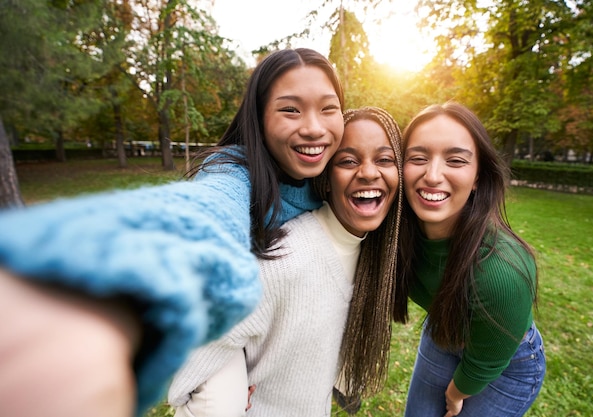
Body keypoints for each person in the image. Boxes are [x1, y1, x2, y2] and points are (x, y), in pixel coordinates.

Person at [0, 47, 345, 417]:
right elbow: (208, 210)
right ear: (259, 119)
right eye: (290, 109)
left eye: (328, 108)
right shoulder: (233, 171)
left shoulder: (335, 176)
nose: (313, 127)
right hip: (217, 327)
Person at [167, 106, 404, 417]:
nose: (369, 172)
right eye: (348, 160)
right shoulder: (284, 259)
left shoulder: (374, 254)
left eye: (384, 159)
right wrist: (222, 400)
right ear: (326, 179)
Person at [394, 102, 546, 417]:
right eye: (418, 158)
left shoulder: (501, 272)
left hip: (505, 362)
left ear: (478, 177)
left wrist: (455, 393)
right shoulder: (394, 234)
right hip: (445, 328)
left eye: (455, 160)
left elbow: (487, 360)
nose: (432, 175)